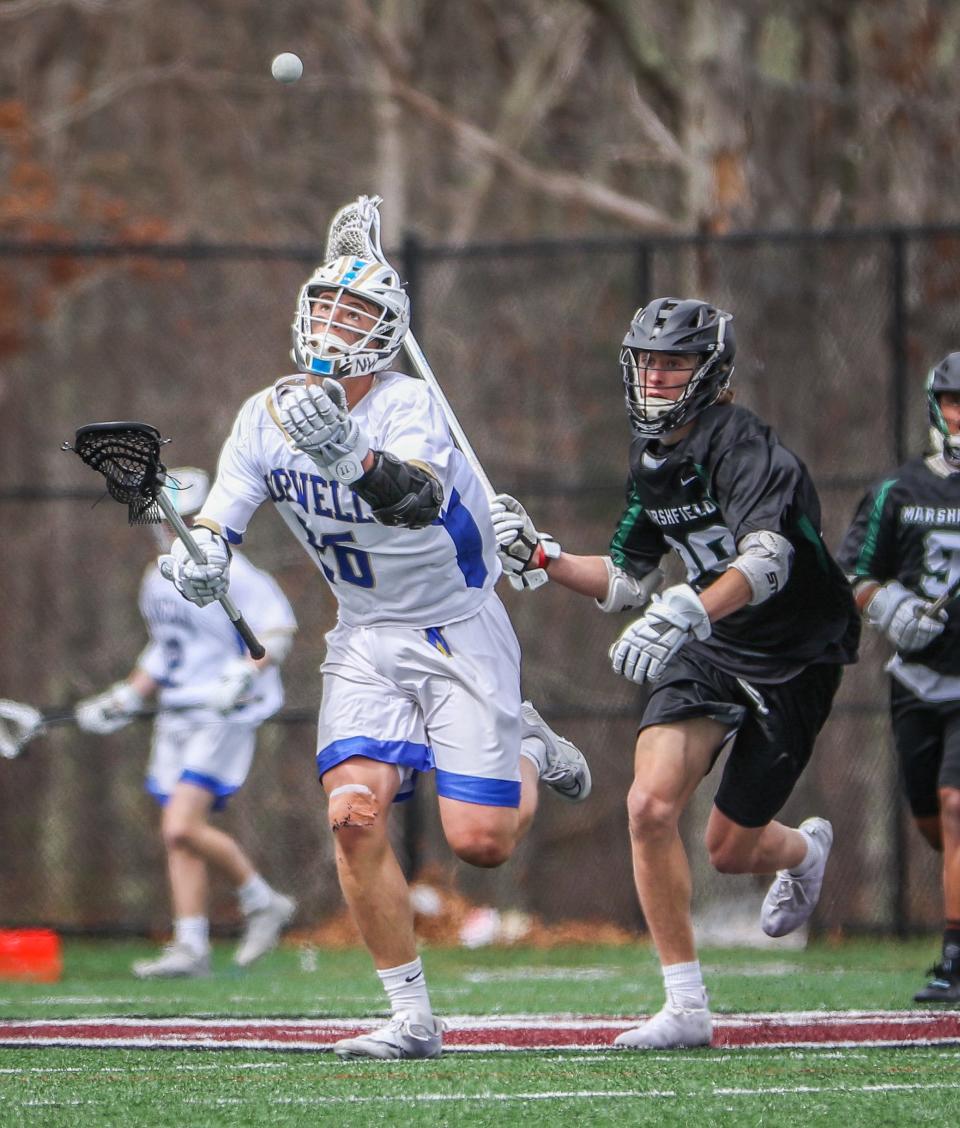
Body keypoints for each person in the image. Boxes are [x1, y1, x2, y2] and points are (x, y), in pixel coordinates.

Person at [156, 249, 591, 1059]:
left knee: (481, 844)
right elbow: (218, 519)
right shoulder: (262, 416)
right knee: (352, 813)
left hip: (457, 624)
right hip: (363, 633)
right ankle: (411, 1018)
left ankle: (527, 743)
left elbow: (416, 501)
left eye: (354, 313)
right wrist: (200, 556)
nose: (333, 324)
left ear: (387, 333)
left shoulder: (409, 404)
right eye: (324, 306)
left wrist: (347, 454)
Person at [491, 296, 860, 1049]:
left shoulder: (745, 445)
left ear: (711, 371)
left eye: (676, 363)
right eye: (648, 362)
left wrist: (689, 608)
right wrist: (542, 557)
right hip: (708, 642)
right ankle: (686, 1005)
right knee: (649, 808)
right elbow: (628, 578)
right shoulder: (650, 458)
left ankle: (802, 850)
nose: (658, 378)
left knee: (731, 848)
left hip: (795, 649)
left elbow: (768, 560)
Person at [75, 468, 298, 979]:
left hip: (223, 712)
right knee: (178, 835)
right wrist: (124, 696)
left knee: (181, 823)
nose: (168, 531)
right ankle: (191, 944)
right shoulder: (156, 578)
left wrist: (244, 673)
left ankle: (262, 900)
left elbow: (278, 630)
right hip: (178, 711)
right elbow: (166, 649)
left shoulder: (235, 571)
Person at [838, 352, 960, 1003]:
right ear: (935, 409)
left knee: (957, 805)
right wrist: (893, 609)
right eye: (954, 402)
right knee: (930, 822)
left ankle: (955, 957)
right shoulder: (900, 491)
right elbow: (854, 572)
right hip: (916, 678)